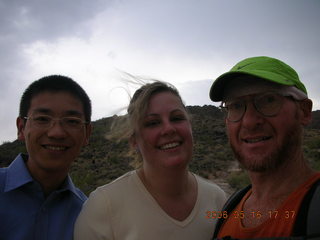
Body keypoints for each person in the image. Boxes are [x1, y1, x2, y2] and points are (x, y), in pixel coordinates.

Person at [74, 81, 226, 240]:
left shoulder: (217, 200)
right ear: (134, 140)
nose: (168, 129)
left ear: (190, 126)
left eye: (176, 118)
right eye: (152, 123)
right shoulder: (103, 207)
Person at [209, 56, 320, 239]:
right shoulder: (229, 210)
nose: (250, 121)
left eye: (268, 100)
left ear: (304, 111)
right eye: (236, 105)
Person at [0, 75, 92, 240]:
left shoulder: (87, 214)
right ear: (21, 128)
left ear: (87, 134)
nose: (56, 132)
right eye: (42, 119)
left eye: (71, 121)